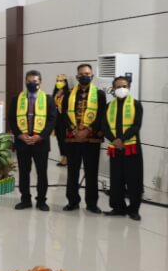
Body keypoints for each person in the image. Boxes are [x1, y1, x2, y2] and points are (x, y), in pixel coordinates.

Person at [8, 70, 58, 211]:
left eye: (35, 82)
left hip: (40, 142)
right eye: (29, 81)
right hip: (22, 142)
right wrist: (19, 135)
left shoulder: (48, 99)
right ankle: (25, 200)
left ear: (40, 82)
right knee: (24, 172)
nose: (32, 84)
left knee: (41, 173)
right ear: (25, 81)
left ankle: (41, 201)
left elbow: (52, 120)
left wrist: (40, 136)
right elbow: (12, 119)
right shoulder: (17, 98)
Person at [62, 63, 107, 214]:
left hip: (91, 139)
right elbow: (64, 114)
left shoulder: (99, 94)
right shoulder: (69, 94)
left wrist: (87, 130)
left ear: (92, 75)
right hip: (73, 138)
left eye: (87, 74)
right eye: (81, 74)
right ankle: (73, 201)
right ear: (76, 77)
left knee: (91, 172)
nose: (84, 76)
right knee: (72, 172)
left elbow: (101, 114)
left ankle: (92, 204)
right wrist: (74, 130)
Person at [103, 76, 144, 221]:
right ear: (113, 89)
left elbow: (136, 125)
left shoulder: (136, 104)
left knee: (134, 180)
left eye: (124, 86)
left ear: (129, 87)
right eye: (118, 86)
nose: (122, 89)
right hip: (115, 148)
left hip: (131, 148)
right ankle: (118, 208)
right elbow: (105, 127)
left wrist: (122, 139)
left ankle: (134, 210)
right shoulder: (109, 106)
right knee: (116, 179)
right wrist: (114, 140)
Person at [53, 73, 70, 166]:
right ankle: (63, 156)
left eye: (61, 81)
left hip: (65, 120)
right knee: (59, 139)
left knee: (65, 139)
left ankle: (67, 157)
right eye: (57, 81)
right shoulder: (55, 93)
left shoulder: (69, 93)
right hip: (57, 119)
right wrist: (57, 96)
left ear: (65, 82)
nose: (59, 82)